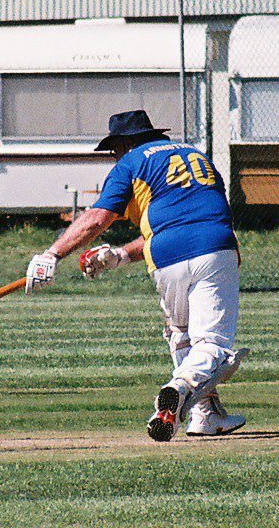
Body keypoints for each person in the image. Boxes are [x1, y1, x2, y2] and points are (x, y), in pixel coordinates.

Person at [24, 108, 249, 440]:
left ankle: (204, 413)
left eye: (114, 148)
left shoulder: (130, 162)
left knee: (182, 335)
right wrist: (117, 256)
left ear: (126, 141)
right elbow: (193, 216)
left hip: (167, 257)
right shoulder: (196, 156)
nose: (113, 156)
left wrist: (52, 254)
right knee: (211, 344)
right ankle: (184, 391)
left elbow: (99, 217)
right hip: (214, 247)